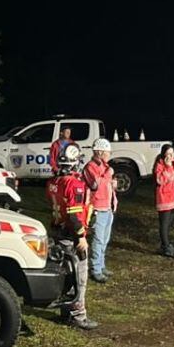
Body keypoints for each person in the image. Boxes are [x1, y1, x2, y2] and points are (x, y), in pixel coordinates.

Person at [46, 143, 99, 330]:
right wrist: (81, 236)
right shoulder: (73, 184)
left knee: (67, 274)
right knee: (80, 275)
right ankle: (78, 314)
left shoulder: (53, 182)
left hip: (58, 231)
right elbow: (74, 215)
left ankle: (65, 311)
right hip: (71, 234)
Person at [82, 138, 117, 283]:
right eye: (108, 152)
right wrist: (109, 176)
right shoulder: (91, 166)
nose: (109, 155)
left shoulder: (105, 167)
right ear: (100, 152)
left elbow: (106, 183)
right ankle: (95, 269)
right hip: (98, 207)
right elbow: (95, 184)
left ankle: (101, 265)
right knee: (98, 239)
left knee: (105, 239)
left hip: (107, 207)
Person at [154, 143, 174, 258]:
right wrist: (167, 167)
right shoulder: (160, 165)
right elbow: (160, 181)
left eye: (172, 153)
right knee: (164, 224)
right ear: (163, 154)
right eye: (168, 154)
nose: (170, 156)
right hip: (165, 199)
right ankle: (167, 247)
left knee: (168, 224)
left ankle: (164, 246)